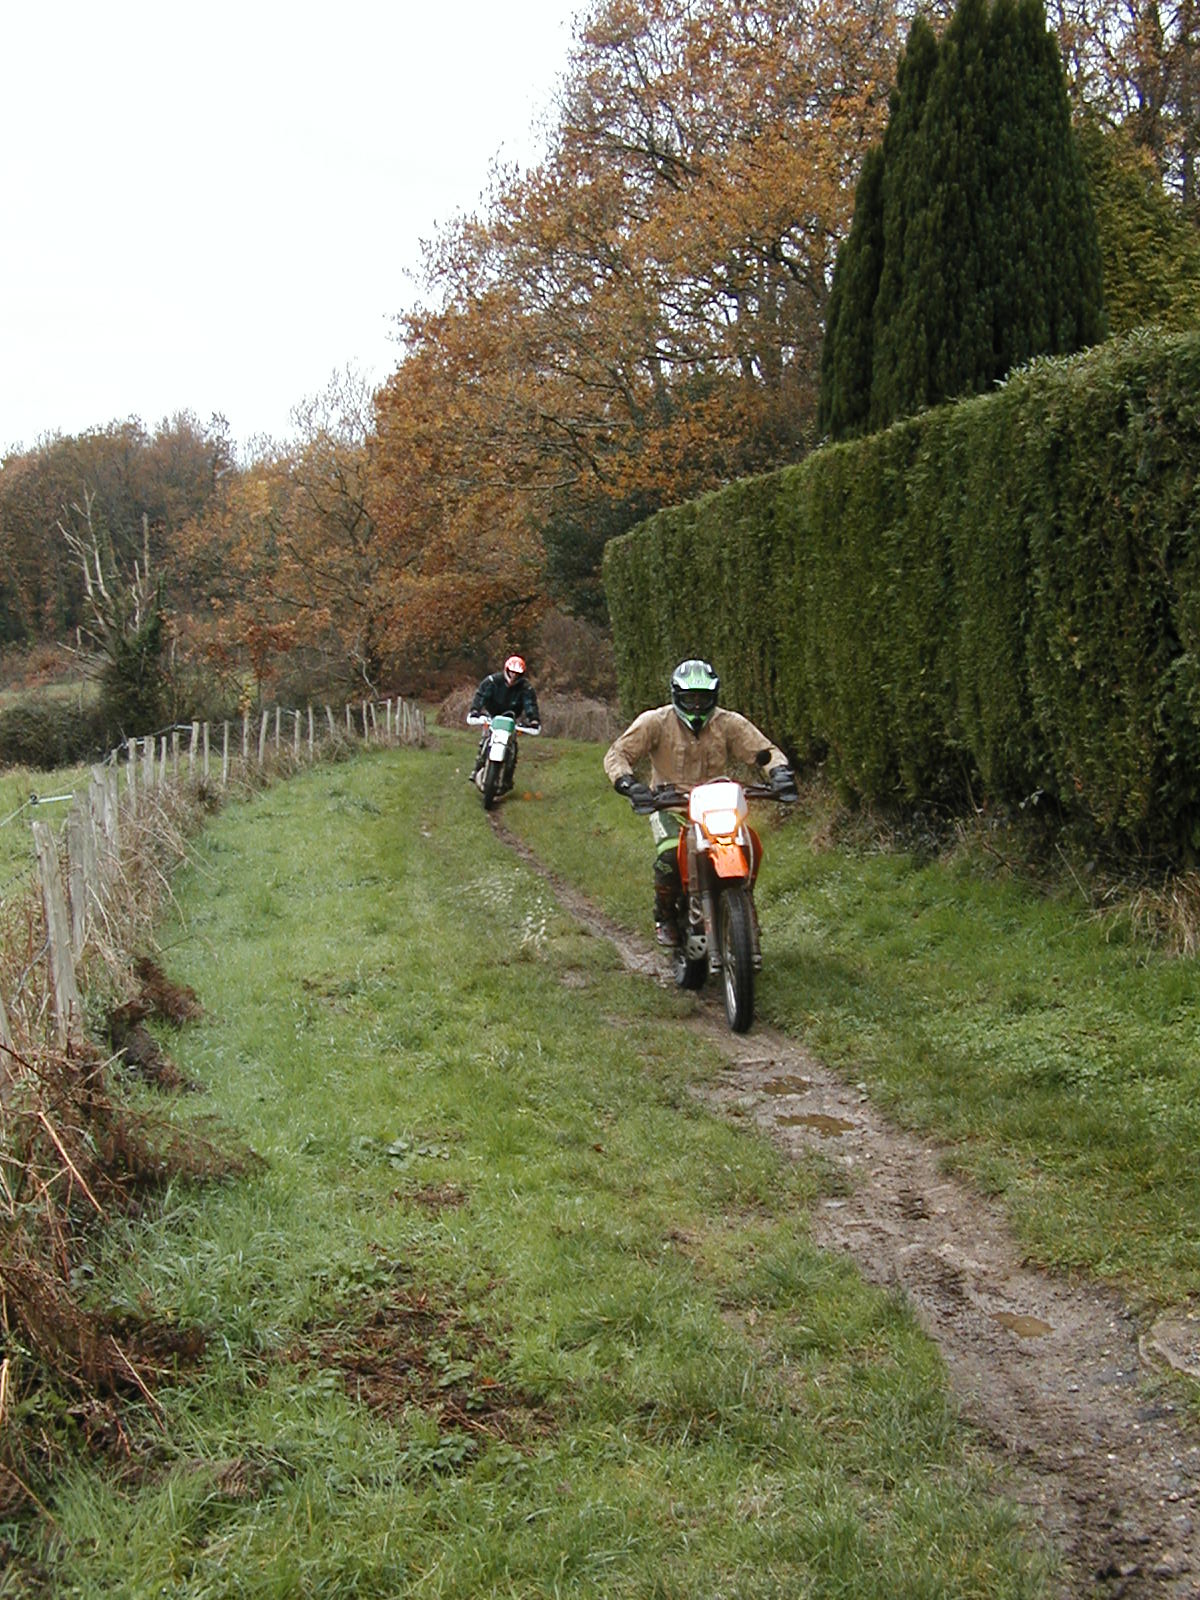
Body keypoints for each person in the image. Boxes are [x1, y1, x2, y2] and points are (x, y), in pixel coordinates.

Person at [603, 658, 796, 945]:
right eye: (690, 698)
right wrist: (628, 784)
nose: (696, 706)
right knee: (670, 855)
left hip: (718, 805)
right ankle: (665, 915)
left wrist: (779, 773)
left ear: (713, 697)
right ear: (676, 696)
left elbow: (764, 751)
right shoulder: (655, 722)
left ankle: (744, 902)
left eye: (702, 699)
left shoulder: (728, 723)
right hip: (671, 806)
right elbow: (618, 753)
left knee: (750, 844)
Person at [468, 654, 541, 792]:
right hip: (492, 716)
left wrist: (533, 719)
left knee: (512, 747)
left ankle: (507, 778)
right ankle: (477, 768)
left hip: (511, 719)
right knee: (485, 739)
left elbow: (530, 703)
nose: (513, 676)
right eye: (511, 672)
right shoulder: (492, 681)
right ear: (506, 670)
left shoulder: (526, 688)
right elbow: (481, 695)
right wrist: (475, 710)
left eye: (517, 674)